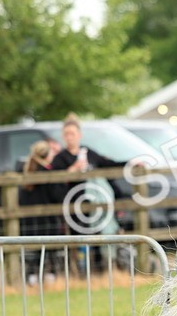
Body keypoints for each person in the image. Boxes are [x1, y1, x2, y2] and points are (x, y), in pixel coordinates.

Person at [52, 113, 130, 272]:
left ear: (79, 135)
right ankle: (81, 272)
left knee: (99, 236)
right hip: (75, 207)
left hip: (96, 205)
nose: (69, 137)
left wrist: (131, 163)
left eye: (72, 134)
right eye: (66, 134)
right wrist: (71, 171)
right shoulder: (60, 159)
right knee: (80, 240)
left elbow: (108, 164)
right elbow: (54, 184)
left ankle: (102, 270)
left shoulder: (88, 153)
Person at [20, 139, 85, 284]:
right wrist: (66, 177)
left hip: (30, 222)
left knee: (33, 255)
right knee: (50, 252)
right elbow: (58, 195)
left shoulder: (28, 172)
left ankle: (31, 279)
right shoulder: (49, 173)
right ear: (47, 155)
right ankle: (50, 278)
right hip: (48, 222)